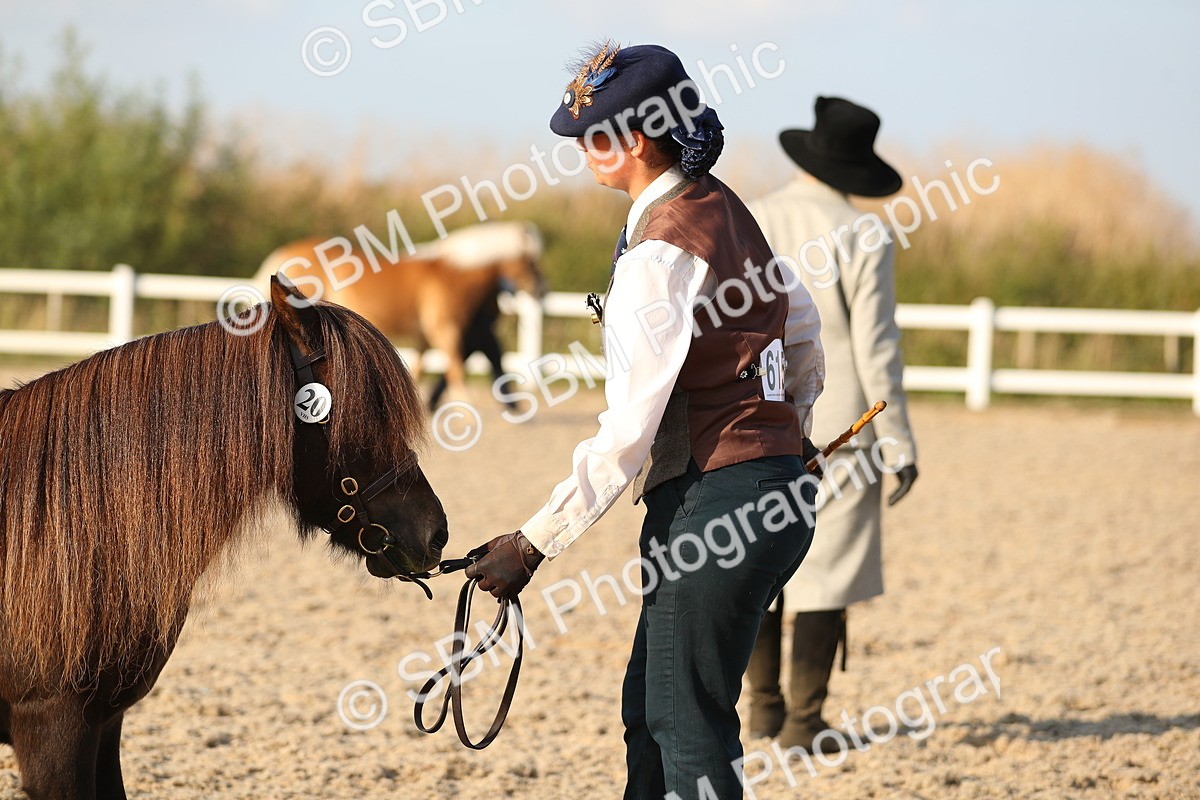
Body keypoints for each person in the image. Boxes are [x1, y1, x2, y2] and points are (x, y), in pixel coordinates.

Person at [464, 42, 825, 799]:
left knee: (686, 727)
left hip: (710, 505)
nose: (581, 149)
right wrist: (792, 433)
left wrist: (532, 543)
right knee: (652, 716)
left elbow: (627, 434)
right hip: (774, 496)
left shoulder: (656, 254)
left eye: (591, 135)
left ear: (632, 141)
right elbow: (801, 328)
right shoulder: (725, 209)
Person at [744, 96, 919, 752]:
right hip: (843, 422)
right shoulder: (865, 232)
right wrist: (899, 440)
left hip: (761, 412)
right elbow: (878, 348)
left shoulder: (753, 214)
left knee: (762, 556)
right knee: (830, 565)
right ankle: (804, 721)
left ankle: (762, 708)